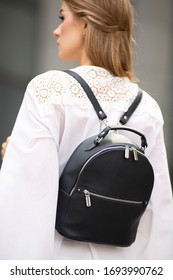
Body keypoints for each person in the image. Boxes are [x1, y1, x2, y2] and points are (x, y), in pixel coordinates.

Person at [0, 0, 173, 260]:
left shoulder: (48, 90)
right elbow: (157, 216)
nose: (56, 31)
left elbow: (26, 205)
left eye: (62, 17)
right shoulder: (147, 107)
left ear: (85, 23)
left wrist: (15, 160)